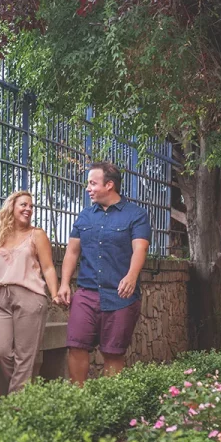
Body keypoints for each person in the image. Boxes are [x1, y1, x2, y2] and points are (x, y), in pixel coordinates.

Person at [56, 161, 151, 385]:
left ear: (109, 185)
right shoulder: (85, 216)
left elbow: (141, 247)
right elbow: (71, 252)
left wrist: (131, 276)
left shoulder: (136, 215)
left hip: (121, 296)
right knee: (76, 345)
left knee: (113, 352)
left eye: (92, 183)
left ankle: (109, 403)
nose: (88, 188)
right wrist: (64, 283)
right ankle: (78, 399)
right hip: (86, 294)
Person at [0, 191, 61, 393]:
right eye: (24, 205)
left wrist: (55, 293)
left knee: (25, 356)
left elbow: (48, 268)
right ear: (11, 207)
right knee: (1, 350)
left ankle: (16, 408)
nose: (28, 209)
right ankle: (28, 393)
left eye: (31, 206)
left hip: (30, 297)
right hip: (0, 299)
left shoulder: (37, 235)